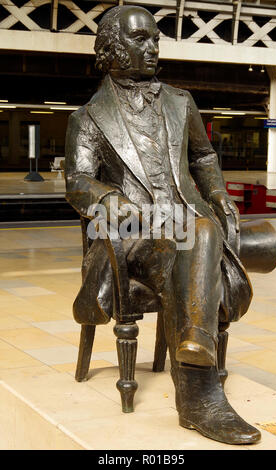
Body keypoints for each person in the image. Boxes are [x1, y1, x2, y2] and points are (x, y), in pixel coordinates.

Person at [64, 5, 261, 445]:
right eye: (140, 39)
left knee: (199, 231)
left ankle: (195, 365)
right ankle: (200, 385)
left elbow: (203, 157)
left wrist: (217, 193)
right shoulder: (88, 118)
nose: (153, 47)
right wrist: (109, 199)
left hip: (184, 223)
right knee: (202, 234)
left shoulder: (180, 100)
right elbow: (77, 182)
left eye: (155, 38)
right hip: (131, 234)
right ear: (111, 49)